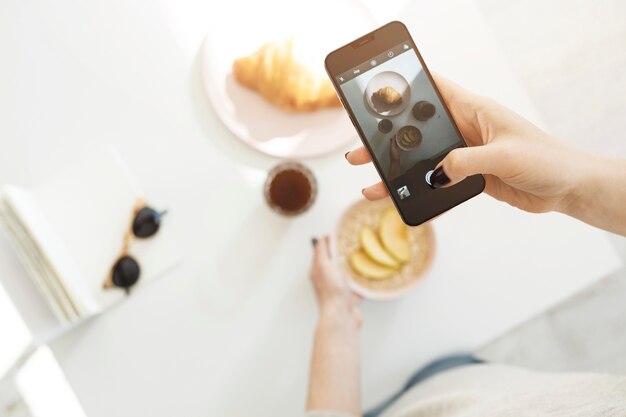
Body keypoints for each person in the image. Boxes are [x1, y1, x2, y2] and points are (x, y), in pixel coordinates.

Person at [305, 75, 626, 417]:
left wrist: (336, 314)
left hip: (424, 397)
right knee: (453, 373)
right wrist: (572, 185)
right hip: (479, 383)